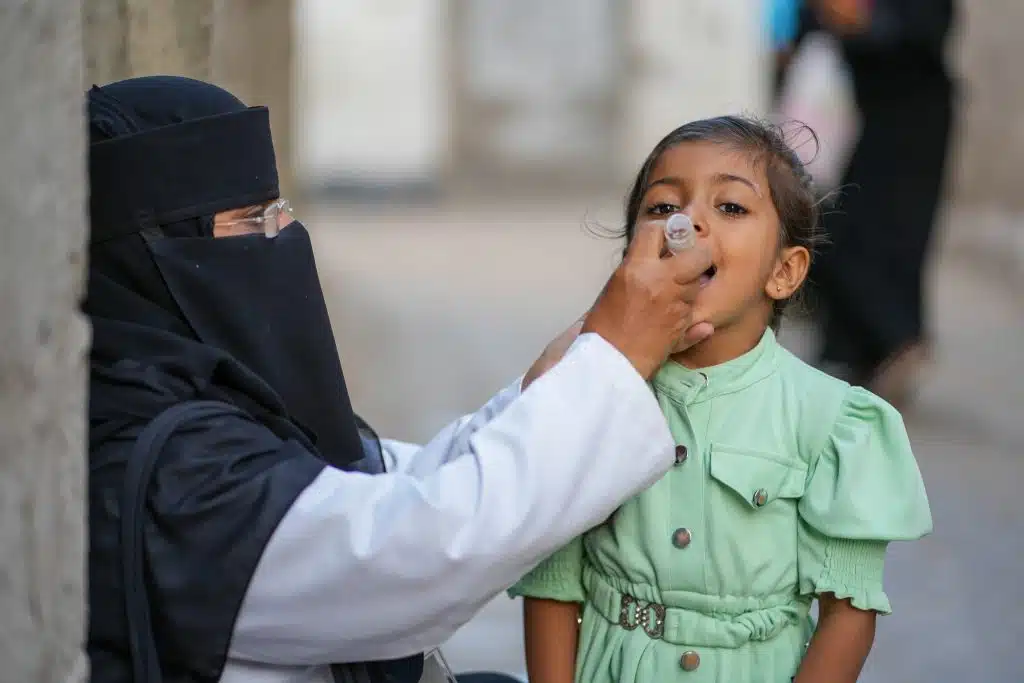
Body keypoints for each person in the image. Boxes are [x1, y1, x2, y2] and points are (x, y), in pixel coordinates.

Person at [83, 75, 718, 683]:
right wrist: (611, 366)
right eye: (252, 222)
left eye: (281, 211)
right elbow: (422, 548)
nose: (280, 238)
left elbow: (385, 482)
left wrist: (570, 371)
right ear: (150, 250)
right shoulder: (169, 471)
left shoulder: (204, 395)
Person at [509, 116, 932, 683]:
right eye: (661, 207)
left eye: (731, 207)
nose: (687, 222)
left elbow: (847, 613)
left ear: (783, 271)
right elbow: (553, 582)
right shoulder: (591, 393)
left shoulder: (832, 421)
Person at [794, 0, 958, 403]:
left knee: (892, 234)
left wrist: (864, 21)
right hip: (858, 114)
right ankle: (856, 354)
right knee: (837, 228)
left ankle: (897, 339)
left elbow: (923, 31)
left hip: (912, 118)